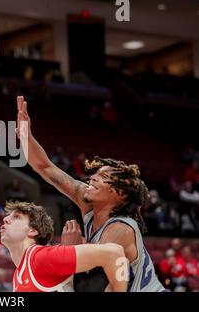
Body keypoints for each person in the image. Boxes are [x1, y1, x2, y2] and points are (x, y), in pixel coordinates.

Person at [15, 96, 166, 292]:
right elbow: (45, 167)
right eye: (94, 173)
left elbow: (91, 288)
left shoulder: (120, 229)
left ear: (119, 193)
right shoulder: (87, 201)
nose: (92, 178)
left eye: (102, 177)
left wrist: (69, 251)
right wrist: (27, 136)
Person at [0, 201, 128, 292]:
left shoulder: (40, 258)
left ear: (32, 231)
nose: (5, 219)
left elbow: (114, 252)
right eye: (8, 216)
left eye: (16, 217)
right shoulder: (18, 275)